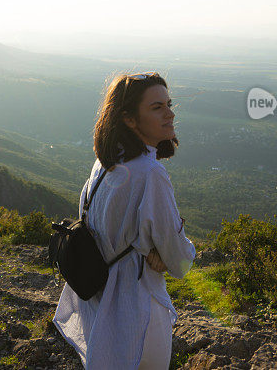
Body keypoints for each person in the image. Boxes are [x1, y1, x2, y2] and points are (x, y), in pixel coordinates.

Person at [53, 72, 197, 369]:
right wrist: (167, 256)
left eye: (169, 104)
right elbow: (180, 260)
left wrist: (155, 250)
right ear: (129, 119)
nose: (170, 113)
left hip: (99, 302)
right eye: (157, 107)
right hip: (137, 307)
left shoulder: (105, 164)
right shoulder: (150, 174)